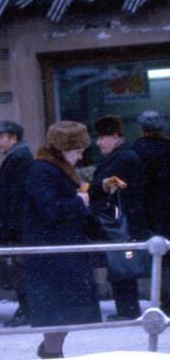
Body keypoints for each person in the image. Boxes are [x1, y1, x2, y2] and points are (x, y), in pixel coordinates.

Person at [23, 121, 101, 359]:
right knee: (56, 314)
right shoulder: (44, 170)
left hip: (61, 254)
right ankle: (52, 353)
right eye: (77, 150)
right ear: (64, 148)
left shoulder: (57, 169)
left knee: (64, 314)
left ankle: (51, 351)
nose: (80, 156)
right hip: (52, 256)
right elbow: (49, 209)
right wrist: (79, 202)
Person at [89, 115, 147, 321]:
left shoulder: (123, 159)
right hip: (119, 220)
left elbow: (115, 189)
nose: (98, 143)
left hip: (120, 222)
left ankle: (128, 310)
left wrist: (94, 189)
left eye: (102, 138)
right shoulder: (120, 157)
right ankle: (126, 309)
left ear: (115, 137)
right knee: (118, 264)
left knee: (121, 265)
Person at [0, 120, 33, 328]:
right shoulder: (18, 157)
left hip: (16, 227)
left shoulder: (18, 159)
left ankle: (26, 310)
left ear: (13, 138)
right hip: (16, 226)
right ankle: (26, 308)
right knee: (20, 270)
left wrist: (7, 225)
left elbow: (13, 197)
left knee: (21, 270)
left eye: (1, 137)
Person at [131, 110, 170, 312]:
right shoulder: (168, 148)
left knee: (156, 257)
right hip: (167, 209)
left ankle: (159, 301)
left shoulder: (136, 149)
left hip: (148, 210)